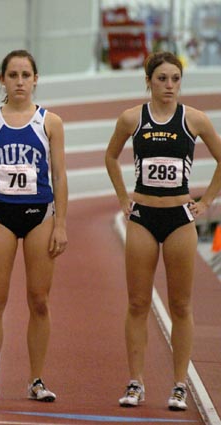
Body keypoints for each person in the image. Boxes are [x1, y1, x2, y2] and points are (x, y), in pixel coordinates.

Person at [105, 51, 221, 411]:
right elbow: (111, 156)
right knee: (138, 303)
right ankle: (136, 382)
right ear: (149, 82)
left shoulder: (195, 120)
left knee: (181, 305)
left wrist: (207, 202)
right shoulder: (132, 119)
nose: (169, 85)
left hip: (179, 221)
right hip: (142, 218)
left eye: (175, 79)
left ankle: (179, 384)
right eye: (162, 79)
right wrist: (124, 197)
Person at [0, 50, 68, 401]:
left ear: (36, 79)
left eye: (26, 75)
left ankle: (37, 379)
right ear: (2, 80)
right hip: (0, 216)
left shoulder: (50, 123)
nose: (20, 82)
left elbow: (59, 175)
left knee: (39, 300)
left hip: (41, 214)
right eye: (13, 75)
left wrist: (61, 224)